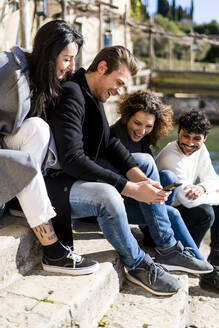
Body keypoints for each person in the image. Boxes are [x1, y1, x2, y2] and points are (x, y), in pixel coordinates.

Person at [47, 45, 212, 296]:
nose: (120, 91)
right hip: (60, 185)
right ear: (102, 68)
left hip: (77, 179)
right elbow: (72, 159)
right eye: (120, 82)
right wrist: (130, 187)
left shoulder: (91, 94)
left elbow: (109, 145)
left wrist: (143, 180)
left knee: (144, 162)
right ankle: (138, 265)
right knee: (109, 195)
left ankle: (167, 248)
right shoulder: (73, 94)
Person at [0, 20, 99, 275]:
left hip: (5, 150)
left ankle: (22, 201)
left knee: (38, 128)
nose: (71, 67)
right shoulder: (6, 66)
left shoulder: (37, 79)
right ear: (49, 52)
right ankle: (54, 250)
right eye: (67, 59)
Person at [110, 90, 204, 260]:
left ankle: (152, 231)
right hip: (115, 203)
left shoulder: (142, 138)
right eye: (137, 123)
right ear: (127, 116)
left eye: (148, 126)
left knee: (169, 178)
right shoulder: (114, 137)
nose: (142, 131)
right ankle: (200, 263)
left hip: (137, 199)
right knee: (172, 213)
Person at [156, 109, 219, 292]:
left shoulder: (200, 149)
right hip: (162, 223)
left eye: (197, 138)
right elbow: (188, 201)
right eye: (186, 136)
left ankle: (214, 265)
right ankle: (187, 256)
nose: (190, 143)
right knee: (205, 212)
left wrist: (202, 188)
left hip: (181, 215)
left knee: (213, 206)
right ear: (178, 133)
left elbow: (213, 178)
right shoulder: (171, 157)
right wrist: (211, 190)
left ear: (205, 138)